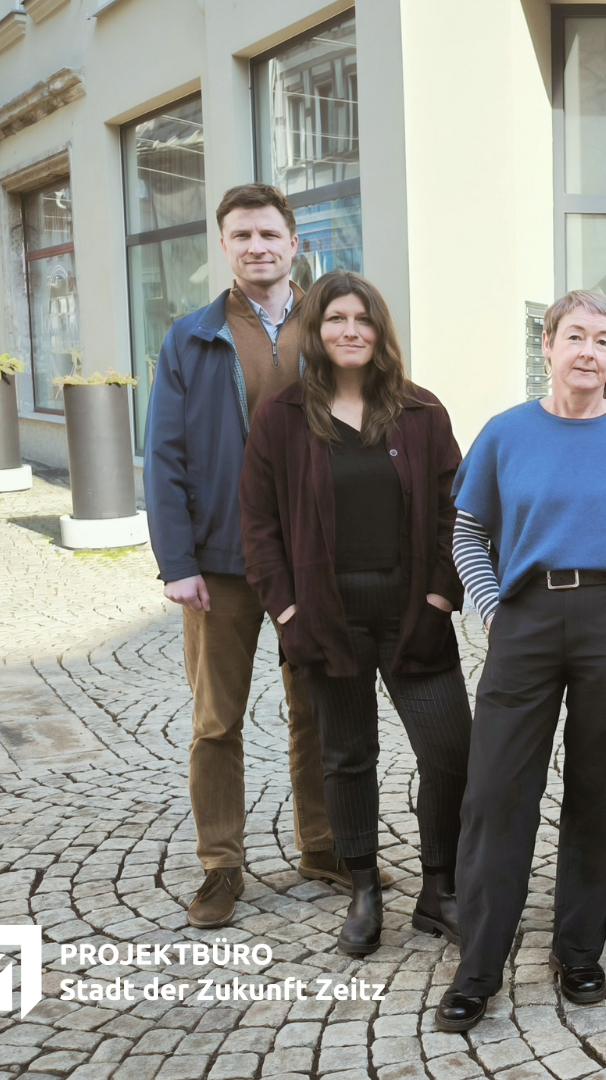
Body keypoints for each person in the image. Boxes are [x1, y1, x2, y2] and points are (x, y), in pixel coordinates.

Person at [435, 290, 606, 1029]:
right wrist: (491, 608)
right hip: (526, 616)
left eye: (603, 340)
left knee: (603, 787)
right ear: (546, 346)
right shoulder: (506, 433)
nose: (588, 351)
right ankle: (479, 964)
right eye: (574, 336)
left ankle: (579, 950)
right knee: (495, 791)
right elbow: (468, 531)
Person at [237, 271, 472, 956]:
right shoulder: (281, 417)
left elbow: (455, 510)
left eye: (362, 319)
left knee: (451, 752)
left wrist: (441, 595)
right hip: (325, 615)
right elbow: (258, 523)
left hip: (412, 611)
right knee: (346, 756)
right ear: (316, 330)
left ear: (380, 330)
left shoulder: (421, 412)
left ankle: (440, 889)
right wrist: (286, 610)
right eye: (335, 318)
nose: (350, 330)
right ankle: (364, 888)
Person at [144, 183, 355, 929]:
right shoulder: (191, 338)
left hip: (309, 558)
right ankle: (220, 865)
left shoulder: (332, 325)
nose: (257, 246)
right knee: (216, 722)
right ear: (224, 245)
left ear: (294, 242)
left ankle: (323, 846)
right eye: (242, 235)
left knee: (316, 712)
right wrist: (178, 561)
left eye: (269, 234)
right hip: (221, 561)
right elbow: (164, 456)